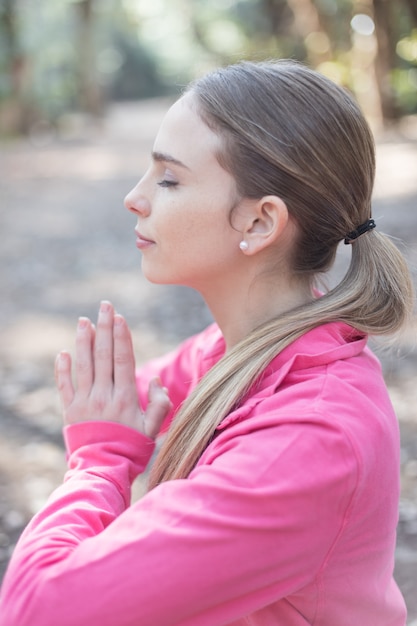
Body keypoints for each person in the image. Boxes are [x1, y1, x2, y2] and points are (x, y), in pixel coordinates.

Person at [0, 59, 413, 626]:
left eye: (168, 179)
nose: (134, 198)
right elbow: (137, 401)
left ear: (260, 224)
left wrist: (99, 462)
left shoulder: (312, 439)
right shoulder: (244, 349)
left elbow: (37, 609)